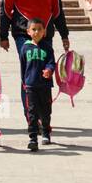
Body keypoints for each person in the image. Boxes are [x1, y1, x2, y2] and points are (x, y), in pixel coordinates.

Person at [0, 0, 70, 112]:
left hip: (46, 35)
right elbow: (5, 11)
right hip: (23, 36)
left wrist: (64, 35)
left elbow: (57, 10)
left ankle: (43, 115)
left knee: (45, 72)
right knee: (30, 72)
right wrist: (3, 36)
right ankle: (31, 115)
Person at [20, 17, 55, 151]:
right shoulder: (25, 48)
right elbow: (23, 67)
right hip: (30, 86)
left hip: (45, 86)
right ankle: (33, 138)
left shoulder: (47, 47)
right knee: (32, 113)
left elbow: (52, 62)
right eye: (33, 29)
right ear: (28, 31)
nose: (36, 32)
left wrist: (49, 70)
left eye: (39, 29)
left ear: (44, 31)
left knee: (46, 112)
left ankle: (46, 132)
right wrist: (24, 82)